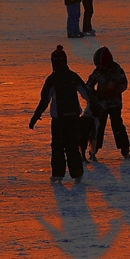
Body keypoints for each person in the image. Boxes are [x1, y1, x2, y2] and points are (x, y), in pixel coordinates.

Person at [29, 45, 91, 181]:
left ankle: (58, 174)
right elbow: (87, 94)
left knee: (58, 146)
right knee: (72, 145)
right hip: (74, 117)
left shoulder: (52, 79)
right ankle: (77, 173)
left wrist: (35, 116)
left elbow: (45, 100)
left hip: (59, 119)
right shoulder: (73, 76)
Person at [87, 46, 130, 158]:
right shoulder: (98, 71)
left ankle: (124, 147)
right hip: (101, 105)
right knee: (98, 126)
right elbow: (89, 85)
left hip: (115, 104)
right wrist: (95, 96)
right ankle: (94, 148)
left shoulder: (117, 69)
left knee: (117, 125)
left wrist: (113, 91)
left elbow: (124, 84)